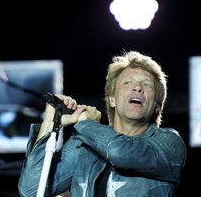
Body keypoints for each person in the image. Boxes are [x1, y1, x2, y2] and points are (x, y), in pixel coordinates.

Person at [18, 50, 187, 196]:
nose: (137, 88)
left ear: (157, 105)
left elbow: (120, 152)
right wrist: (50, 123)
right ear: (112, 99)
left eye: (147, 85)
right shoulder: (83, 145)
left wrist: (85, 124)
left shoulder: (169, 143)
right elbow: (31, 190)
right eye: (128, 83)